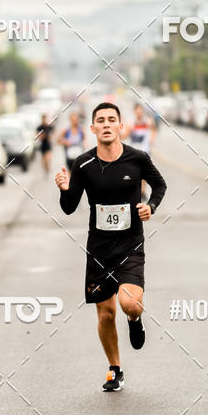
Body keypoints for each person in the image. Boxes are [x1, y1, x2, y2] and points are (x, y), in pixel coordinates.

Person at [55, 102, 167, 392]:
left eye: (111, 120)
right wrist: (64, 189)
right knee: (105, 314)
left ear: (120, 127)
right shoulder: (82, 164)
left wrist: (150, 207)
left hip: (130, 244)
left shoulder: (138, 159)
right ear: (92, 129)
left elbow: (160, 185)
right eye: (100, 120)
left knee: (129, 303)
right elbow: (69, 208)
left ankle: (135, 318)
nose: (106, 124)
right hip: (99, 249)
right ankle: (115, 369)